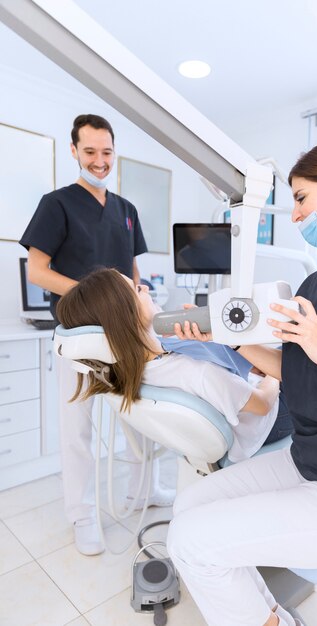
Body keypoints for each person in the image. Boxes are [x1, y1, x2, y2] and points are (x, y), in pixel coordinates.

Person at [167, 136, 317, 626]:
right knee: (191, 502)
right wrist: (229, 342)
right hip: (310, 460)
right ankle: (270, 615)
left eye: (302, 198)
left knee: (190, 542)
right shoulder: (314, 285)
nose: (297, 215)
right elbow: (297, 370)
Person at [19, 114, 173, 556]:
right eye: (90, 152)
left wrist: (138, 292)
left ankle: (143, 491)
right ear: (74, 151)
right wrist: (97, 297)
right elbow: (38, 270)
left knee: (139, 413)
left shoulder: (126, 211)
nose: (100, 161)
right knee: (77, 428)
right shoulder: (57, 204)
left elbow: (133, 270)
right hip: (79, 330)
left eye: (106, 152)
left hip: (124, 330)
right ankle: (83, 515)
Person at [55, 267, 284, 466]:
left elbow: (227, 368)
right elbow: (263, 404)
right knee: (295, 357)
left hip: (244, 396)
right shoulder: (195, 372)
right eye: (136, 290)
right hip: (263, 426)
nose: (145, 288)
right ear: (125, 317)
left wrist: (221, 342)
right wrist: (277, 375)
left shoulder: (133, 368)